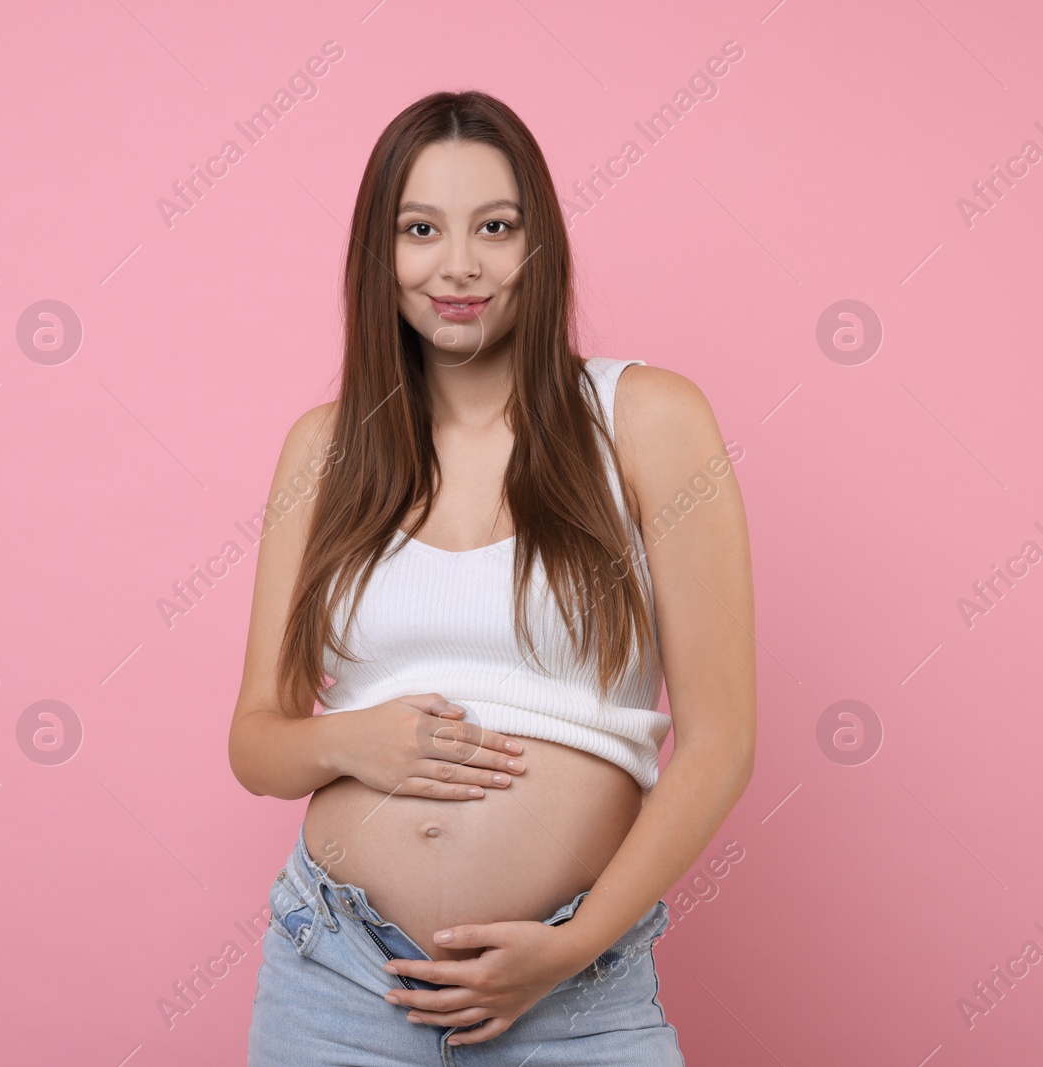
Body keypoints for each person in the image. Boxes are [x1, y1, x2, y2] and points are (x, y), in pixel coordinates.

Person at [228, 90, 756, 1065]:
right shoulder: (326, 449)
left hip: (571, 989)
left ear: (538, 245)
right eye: (420, 229)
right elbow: (255, 741)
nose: (458, 265)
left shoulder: (649, 420)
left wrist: (571, 943)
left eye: (495, 227)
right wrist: (356, 741)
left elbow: (721, 742)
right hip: (335, 975)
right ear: (378, 254)